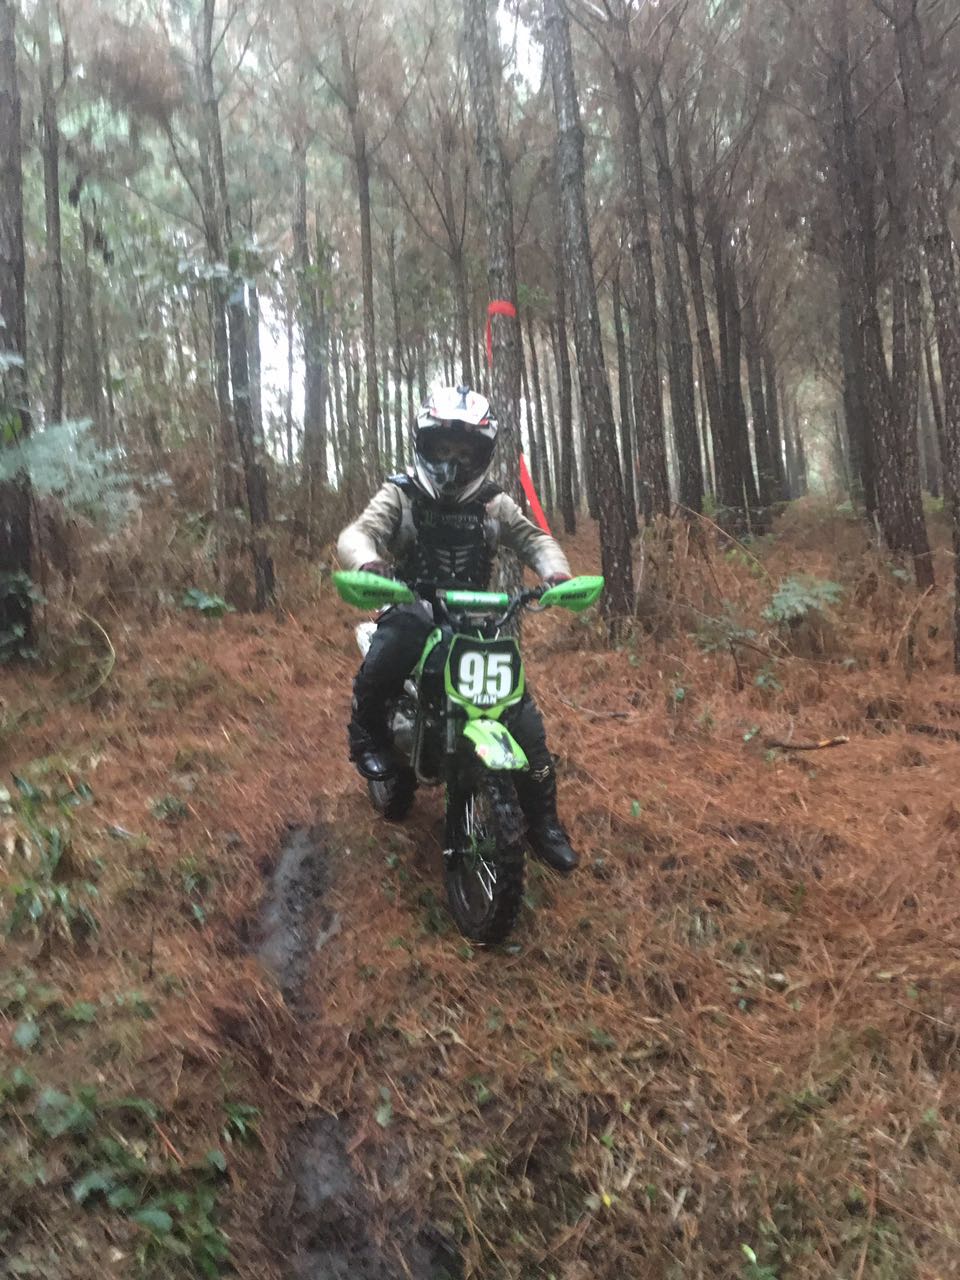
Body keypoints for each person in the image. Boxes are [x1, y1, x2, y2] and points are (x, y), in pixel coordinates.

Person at [337, 385, 579, 873]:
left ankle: (544, 823)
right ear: (424, 444)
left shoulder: (493, 503)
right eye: (443, 448)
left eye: (464, 452)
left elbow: (534, 540)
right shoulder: (402, 493)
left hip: (476, 617)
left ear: (481, 454)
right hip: (414, 605)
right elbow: (358, 533)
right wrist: (367, 561)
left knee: (523, 717)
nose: (452, 462)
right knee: (397, 638)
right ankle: (367, 734)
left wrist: (555, 572)